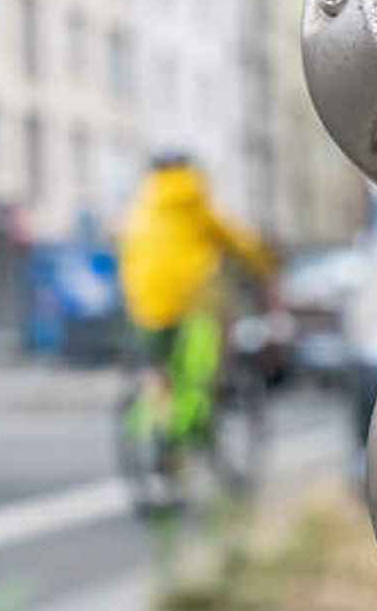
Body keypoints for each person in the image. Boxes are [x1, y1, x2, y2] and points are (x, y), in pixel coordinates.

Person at [118, 153, 275, 442]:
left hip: (146, 303)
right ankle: (193, 419)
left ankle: (155, 427)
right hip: (191, 298)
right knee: (203, 360)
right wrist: (265, 263)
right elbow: (236, 239)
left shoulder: (141, 206)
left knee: (161, 369)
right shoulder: (193, 198)